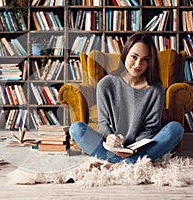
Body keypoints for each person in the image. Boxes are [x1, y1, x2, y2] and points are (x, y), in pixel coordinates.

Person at [69, 32, 184, 165]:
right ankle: (130, 163)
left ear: (150, 62)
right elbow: (103, 123)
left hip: (140, 148)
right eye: (134, 57)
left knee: (176, 128)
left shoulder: (155, 89)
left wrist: (135, 148)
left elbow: (151, 128)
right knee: (76, 129)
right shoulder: (106, 84)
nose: (138, 64)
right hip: (111, 147)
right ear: (125, 55)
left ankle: (117, 164)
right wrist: (109, 137)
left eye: (145, 59)